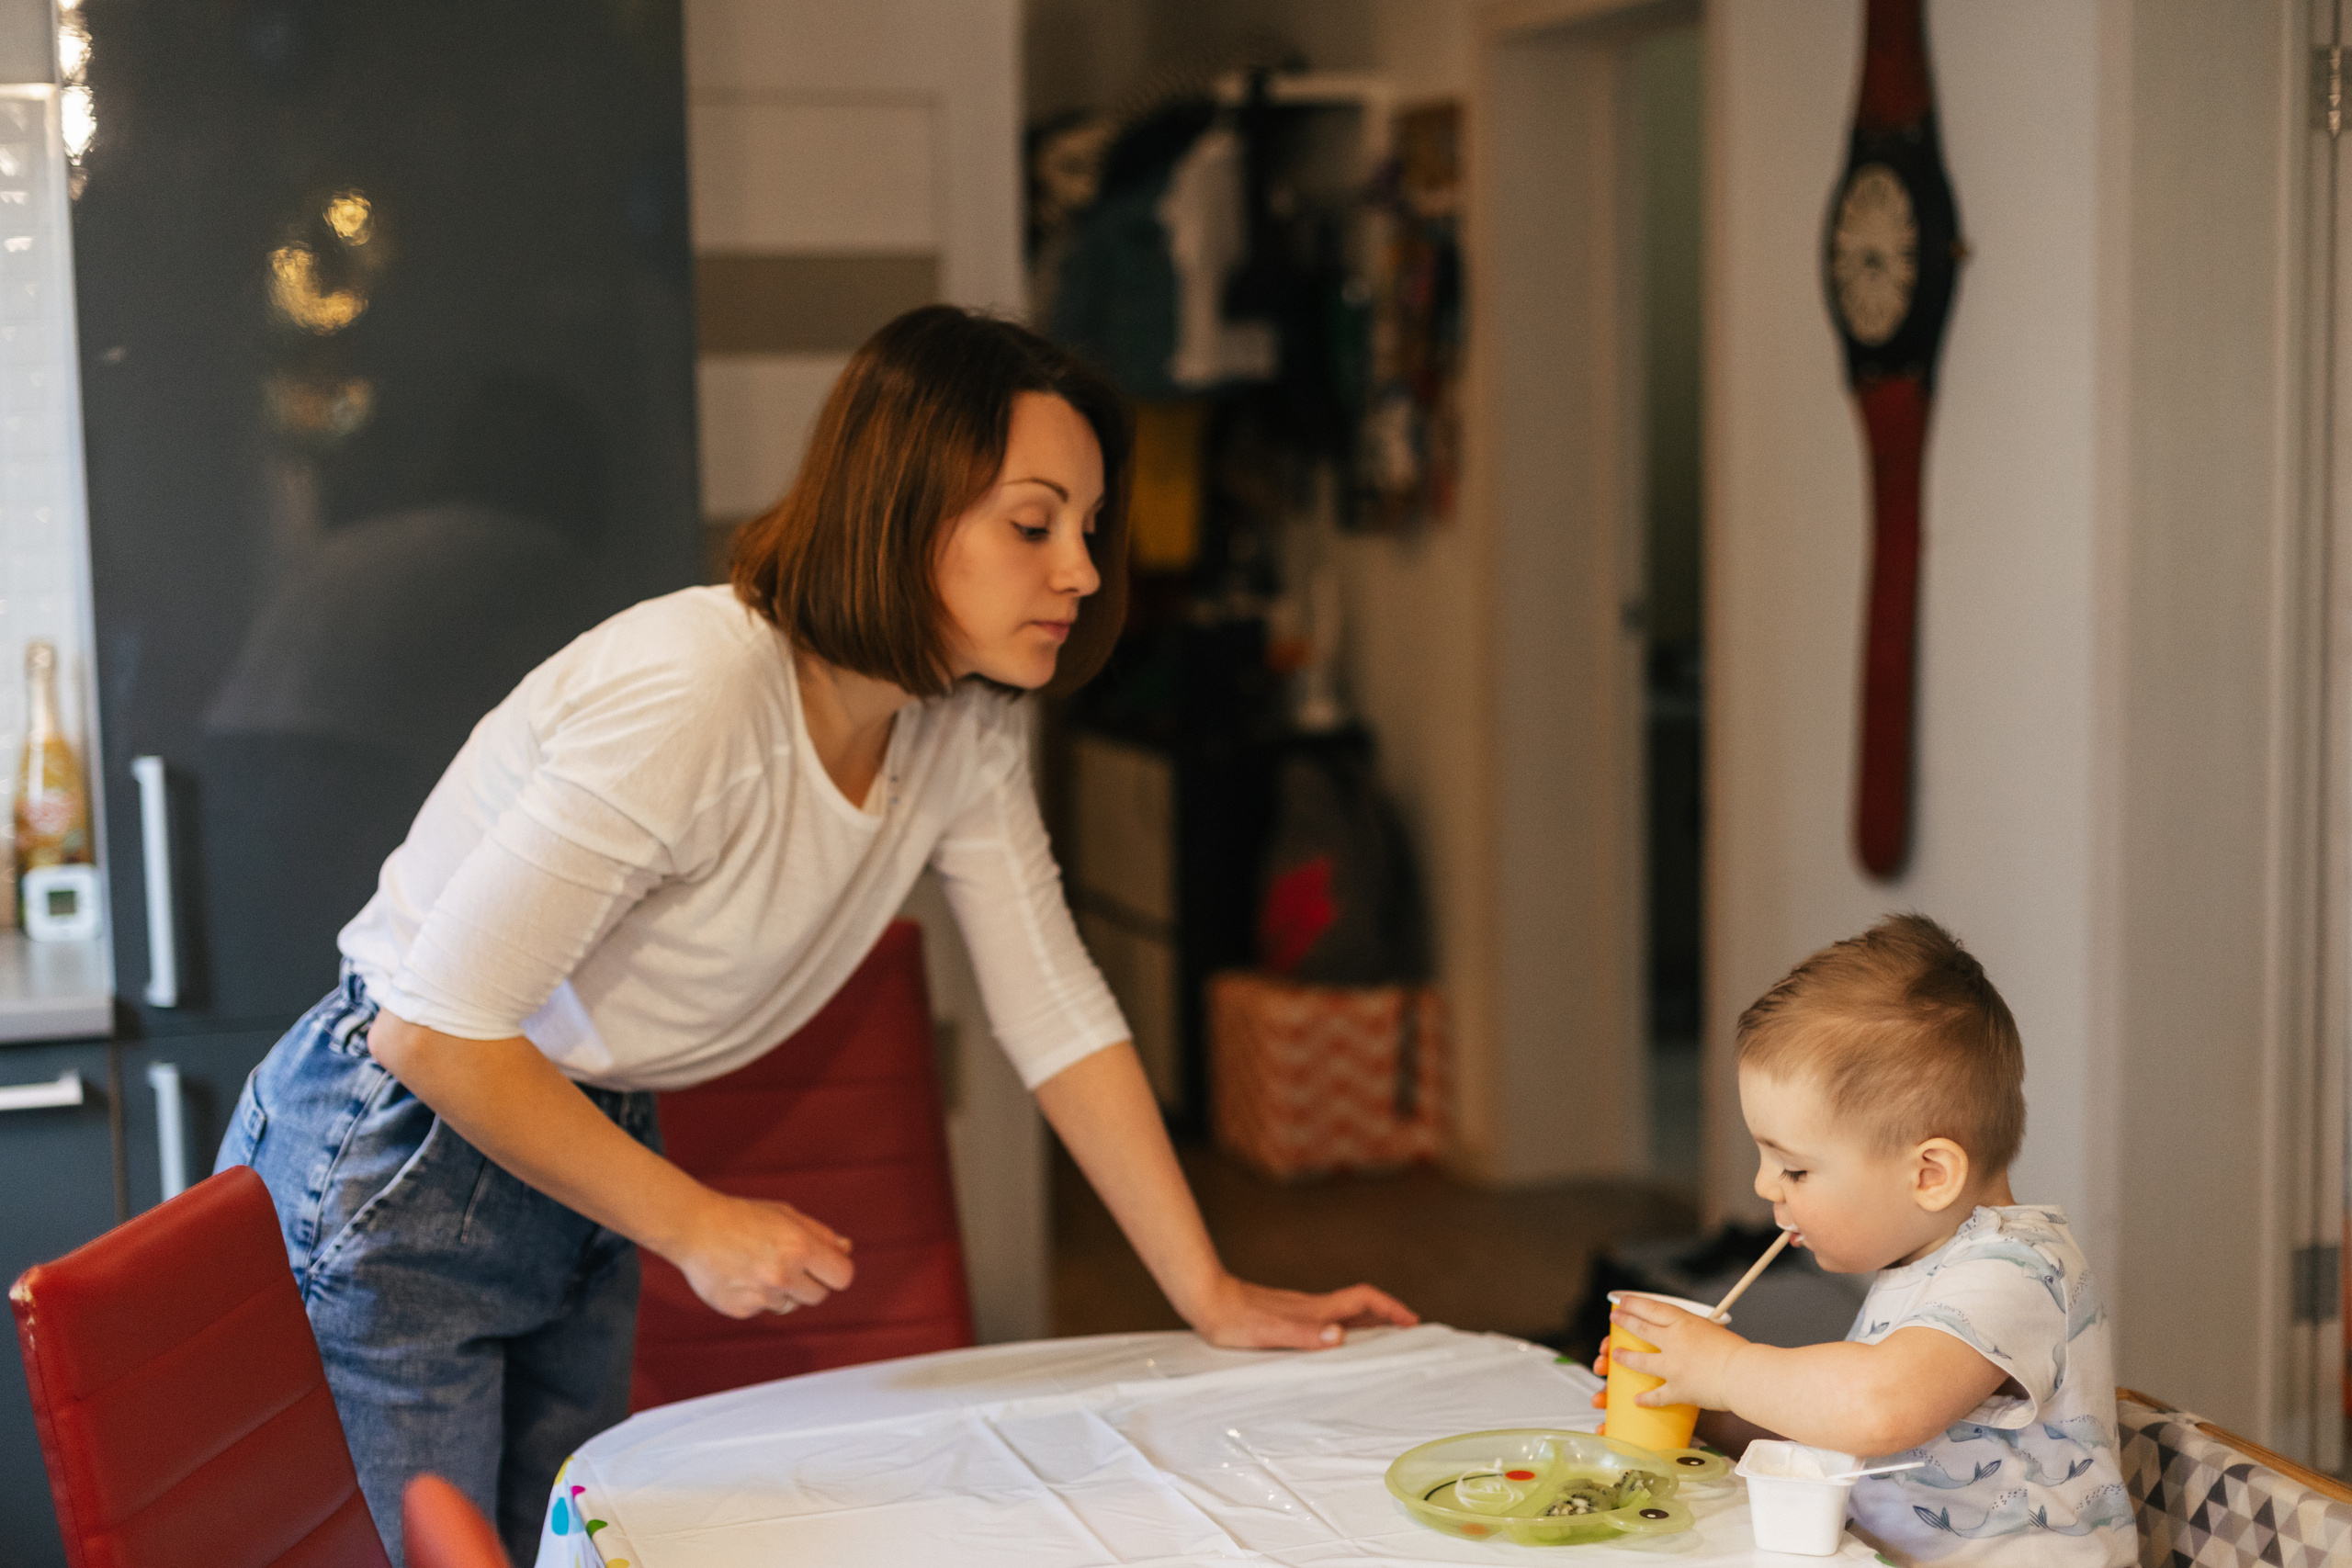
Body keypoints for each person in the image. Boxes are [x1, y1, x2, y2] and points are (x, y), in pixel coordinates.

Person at [216, 305, 1417, 1563]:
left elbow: (1054, 1005)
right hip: (401, 1138)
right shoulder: (700, 687)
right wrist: (695, 1222)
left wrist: (1208, 1291)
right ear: (902, 509)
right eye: (1033, 522)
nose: (1082, 569)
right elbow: (434, 1028)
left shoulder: (964, 726)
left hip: (574, 1130)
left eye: (1089, 529)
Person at [1598, 915, 2129, 1567]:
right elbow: (1846, 1433)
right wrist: (1701, 1403)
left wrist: (1727, 1369)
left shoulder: (2017, 1271)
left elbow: (1880, 1407)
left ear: (1928, 1175)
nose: (1765, 1184)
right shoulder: (1919, 1259)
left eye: (1793, 1166)